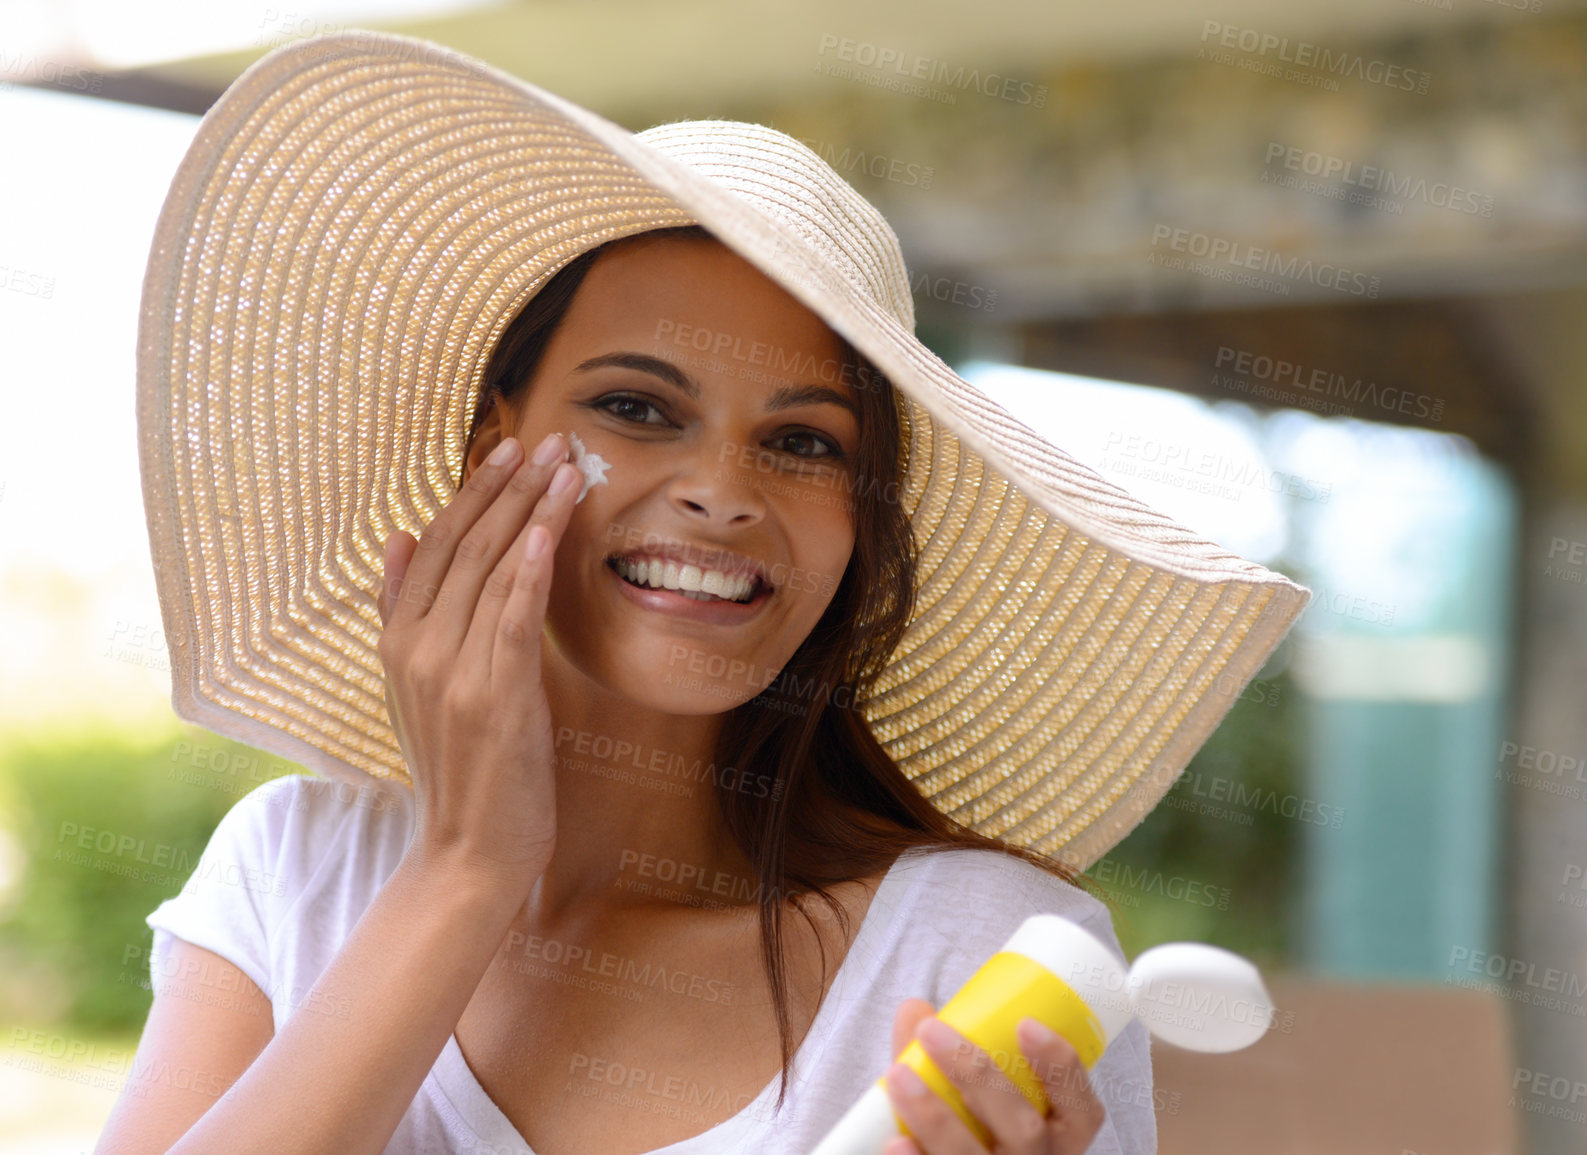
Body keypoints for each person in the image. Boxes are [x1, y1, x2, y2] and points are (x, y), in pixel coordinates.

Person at [106, 30, 1309, 1155]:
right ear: (491, 453)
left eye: (804, 443)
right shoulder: (292, 870)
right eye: (636, 408)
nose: (724, 493)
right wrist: (467, 868)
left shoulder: (980, 952)